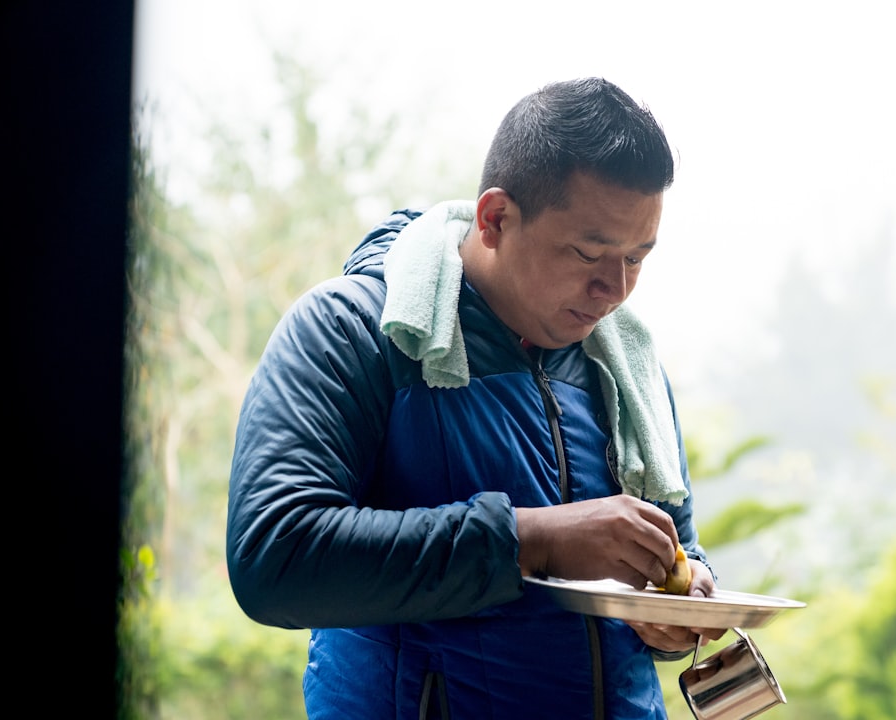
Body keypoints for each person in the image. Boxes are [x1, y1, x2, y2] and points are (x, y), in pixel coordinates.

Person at [227, 77, 725, 720]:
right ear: (495, 218)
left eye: (638, 257)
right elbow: (277, 557)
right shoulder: (351, 331)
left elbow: (673, 546)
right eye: (589, 253)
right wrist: (531, 540)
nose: (614, 289)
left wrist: (682, 602)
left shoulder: (624, 362)